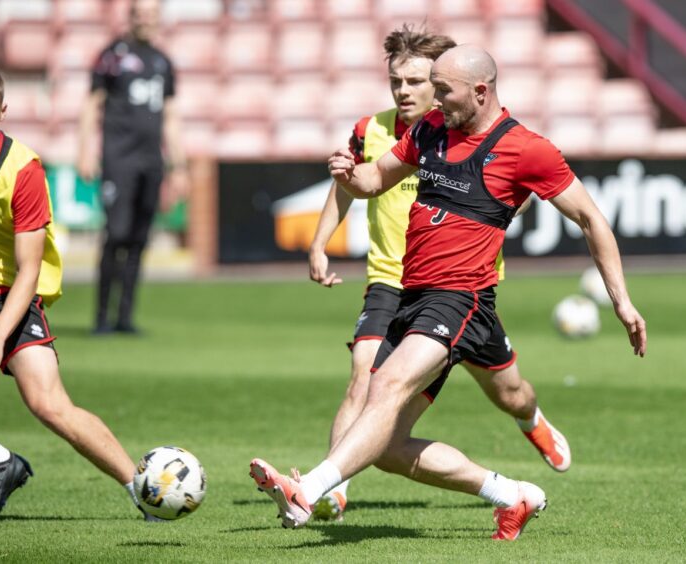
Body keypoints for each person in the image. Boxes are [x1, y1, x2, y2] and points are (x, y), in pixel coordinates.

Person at [252, 44, 647, 541]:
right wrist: (349, 175)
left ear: (480, 92)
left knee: (388, 385)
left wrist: (622, 301)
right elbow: (376, 179)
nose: (432, 100)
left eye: (443, 90)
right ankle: (512, 494)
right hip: (412, 296)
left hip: (463, 299)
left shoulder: (526, 149)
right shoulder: (429, 130)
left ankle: (307, 491)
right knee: (390, 449)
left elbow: (591, 218)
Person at [307, 25, 570, 522]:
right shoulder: (373, 130)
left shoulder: (456, 133)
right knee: (366, 379)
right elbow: (355, 182)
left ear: (439, 85)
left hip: (465, 291)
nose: (403, 91)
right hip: (392, 282)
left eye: (415, 81)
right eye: (395, 82)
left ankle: (530, 419)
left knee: (509, 391)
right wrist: (320, 242)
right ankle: (329, 487)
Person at [0, 65, 153, 521]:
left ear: (3, 112)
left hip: (9, 296)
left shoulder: (23, 170)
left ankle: (143, 492)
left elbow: (29, 270)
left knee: (50, 405)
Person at [77, 0, 188, 334]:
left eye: (152, 15)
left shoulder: (163, 62)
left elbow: (170, 116)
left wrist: (179, 165)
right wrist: (85, 149)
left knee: (139, 238)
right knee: (117, 234)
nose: (146, 20)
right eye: (140, 14)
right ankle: (101, 317)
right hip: (119, 158)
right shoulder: (111, 56)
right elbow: (91, 104)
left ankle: (124, 317)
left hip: (151, 161)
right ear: (131, 18)